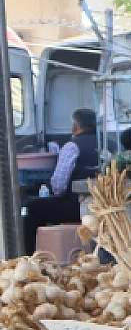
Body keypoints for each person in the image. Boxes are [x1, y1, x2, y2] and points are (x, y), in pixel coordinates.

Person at [23, 107, 101, 253]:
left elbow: (58, 185)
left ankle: (31, 255)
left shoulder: (72, 146)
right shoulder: (113, 144)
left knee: (34, 207)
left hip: (77, 206)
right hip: (106, 206)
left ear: (75, 126)